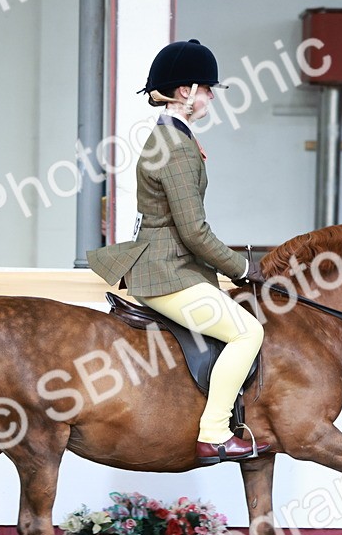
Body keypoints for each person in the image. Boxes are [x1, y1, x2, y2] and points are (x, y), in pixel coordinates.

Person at [86, 39, 268, 465]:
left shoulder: (174, 138)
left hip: (165, 263)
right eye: (206, 89)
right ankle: (215, 434)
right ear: (185, 91)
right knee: (248, 333)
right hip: (166, 270)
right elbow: (193, 231)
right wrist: (243, 267)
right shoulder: (177, 146)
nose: (209, 97)